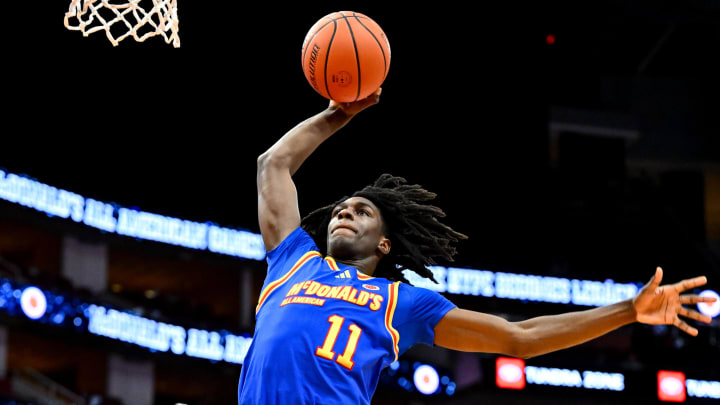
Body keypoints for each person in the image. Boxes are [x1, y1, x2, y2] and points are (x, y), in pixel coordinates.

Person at [238, 89, 716, 404]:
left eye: (362, 211)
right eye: (343, 208)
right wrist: (338, 114)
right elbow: (272, 165)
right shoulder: (293, 262)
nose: (345, 212)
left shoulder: (401, 302)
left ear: (384, 243)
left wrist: (628, 311)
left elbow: (520, 338)